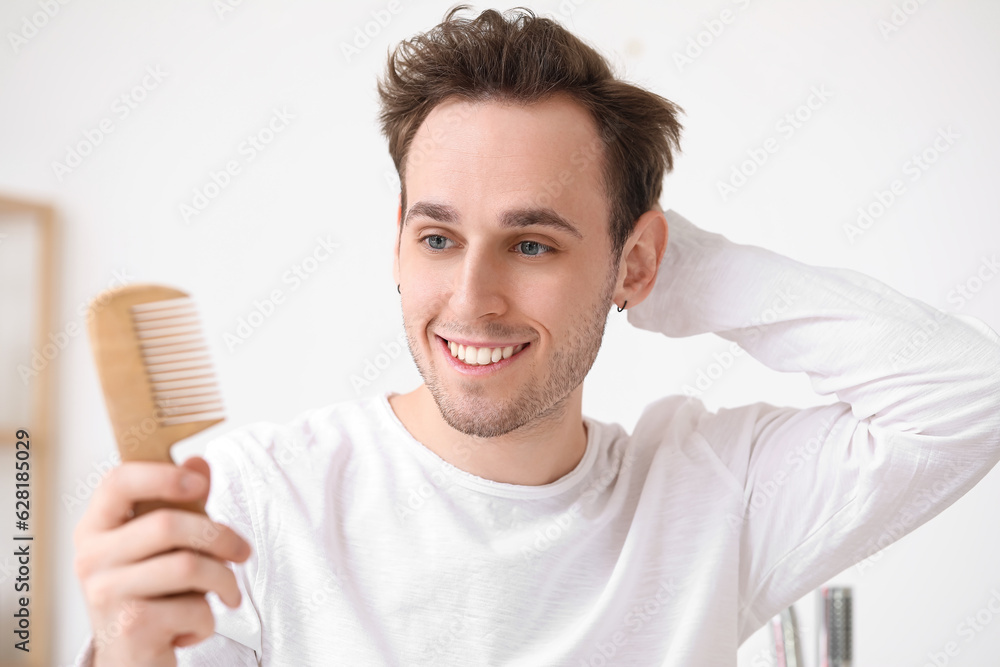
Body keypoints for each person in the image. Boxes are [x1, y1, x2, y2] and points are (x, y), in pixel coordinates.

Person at [72, 5, 1000, 666]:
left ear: (634, 262)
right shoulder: (249, 504)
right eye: (438, 237)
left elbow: (967, 390)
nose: (472, 298)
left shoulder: (714, 500)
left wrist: (661, 265)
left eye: (531, 242)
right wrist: (120, 652)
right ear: (398, 241)